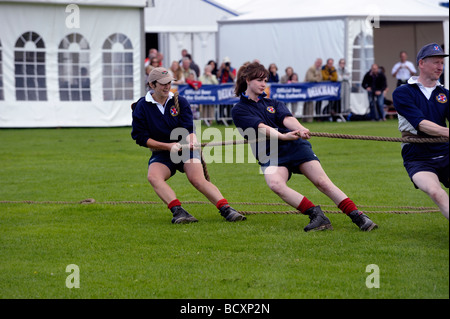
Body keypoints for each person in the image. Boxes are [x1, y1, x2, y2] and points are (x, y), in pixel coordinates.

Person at [231, 61, 378, 231]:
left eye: (265, 80)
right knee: (276, 184)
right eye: (259, 80)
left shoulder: (274, 103)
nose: (263, 84)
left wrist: (300, 128)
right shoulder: (239, 110)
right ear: (248, 80)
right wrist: (282, 136)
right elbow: (261, 128)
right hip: (270, 152)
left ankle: (358, 216)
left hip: (294, 146)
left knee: (322, 182)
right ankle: (317, 215)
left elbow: (287, 119)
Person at [131, 67, 246, 223]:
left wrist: (192, 140)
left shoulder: (179, 101)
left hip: (185, 149)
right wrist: (168, 146)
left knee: (197, 179)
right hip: (162, 152)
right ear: (152, 85)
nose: (167, 86)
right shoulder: (142, 106)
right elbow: (141, 138)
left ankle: (227, 210)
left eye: (169, 83)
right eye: (163, 83)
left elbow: (188, 127)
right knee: (153, 177)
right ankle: (179, 212)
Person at [392, 43, 449, 220]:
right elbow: (421, 124)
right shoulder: (403, 92)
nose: (440, 67)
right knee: (435, 192)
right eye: (436, 62)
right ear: (421, 63)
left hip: (445, 151)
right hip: (417, 156)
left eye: (442, 63)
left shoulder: (445, 94)